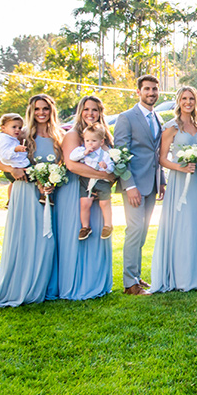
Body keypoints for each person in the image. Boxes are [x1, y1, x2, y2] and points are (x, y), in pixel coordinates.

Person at [0, 94, 61, 307]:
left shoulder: (59, 136)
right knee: (27, 237)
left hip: (47, 193)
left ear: (51, 110)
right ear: (31, 111)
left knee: (46, 240)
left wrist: (53, 181)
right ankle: (22, 285)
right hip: (25, 191)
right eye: (37, 109)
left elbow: (62, 164)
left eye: (45, 108)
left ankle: (46, 286)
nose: (41, 113)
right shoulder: (22, 134)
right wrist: (12, 169)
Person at [150, 86, 197, 293]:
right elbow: (162, 158)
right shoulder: (172, 127)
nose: (188, 102)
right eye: (184, 98)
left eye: (191, 98)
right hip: (179, 181)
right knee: (180, 225)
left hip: (196, 181)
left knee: (195, 224)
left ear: (196, 101)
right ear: (178, 101)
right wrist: (180, 167)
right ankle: (179, 276)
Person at [55, 95, 114, 301]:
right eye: (87, 109)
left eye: (95, 110)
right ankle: (77, 284)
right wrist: (103, 176)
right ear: (80, 111)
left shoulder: (104, 134)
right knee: (79, 233)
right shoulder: (73, 134)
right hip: (76, 190)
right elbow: (72, 165)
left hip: (99, 192)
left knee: (100, 231)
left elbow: (112, 161)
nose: (91, 114)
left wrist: (110, 176)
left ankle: (96, 283)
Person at [114, 75, 165, 295]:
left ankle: (136, 276)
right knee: (134, 230)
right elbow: (120, 155)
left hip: (152, 184)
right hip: (134, 185)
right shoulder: (126, 117)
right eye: (146, 89)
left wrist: (161, 181)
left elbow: (157, 153)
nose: (151, 93)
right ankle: (129, 284)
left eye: (154, 89)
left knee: (142, 232)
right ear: (138, 92)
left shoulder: (158, 118)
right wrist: (129, 185)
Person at [68, 123, 114, 241]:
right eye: (87, 140)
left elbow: (111, 168)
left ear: (101, 142)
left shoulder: (104, 155)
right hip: (86, 181)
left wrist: (105, 167)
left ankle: (108, 225)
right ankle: (85, 227)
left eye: (94, 141)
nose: (90, 143)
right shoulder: (81, 150)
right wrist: (84, 153)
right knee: (84, 204)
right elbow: (72, 158)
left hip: (101, 181)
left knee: (104, 203)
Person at [0, 112, 28, 203]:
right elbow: (4, 154)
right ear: (3, 128)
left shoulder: (9, 138)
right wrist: (15, 149)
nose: (17, 130)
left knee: (13, 183)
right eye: (14, 127)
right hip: (12, 167)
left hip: (13, 166)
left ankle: (10, 200)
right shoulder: (5, 140)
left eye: (19, 127)